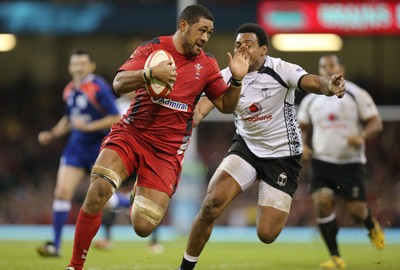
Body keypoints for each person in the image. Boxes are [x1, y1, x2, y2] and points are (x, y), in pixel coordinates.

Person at [65, 4, 250, 270]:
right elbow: (118, 83)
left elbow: (226, 106)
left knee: (143, 227)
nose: (206, 37)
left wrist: (237, 80)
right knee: (98, 190)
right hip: (132, 133)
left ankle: (135, 195)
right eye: (202, 30)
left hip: (167, 151)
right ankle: (75, 265)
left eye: (210, 32)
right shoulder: (153, 49)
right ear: (184, 26)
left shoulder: (207, 64)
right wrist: (149, 74)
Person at [177, 23, 346, 270]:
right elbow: (203, 106)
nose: (242, 49)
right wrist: (191, 119)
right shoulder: (228, 75)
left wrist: (330, 86)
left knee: (266, 234)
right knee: (211, 202)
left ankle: (268, 193)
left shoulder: (281, 69)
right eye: (237, 45)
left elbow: (313, 82)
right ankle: (185, 268)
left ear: (264, 50)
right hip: (247, 147)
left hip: (283, 155)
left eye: (248, 44)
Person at [297, 54, 385, 269]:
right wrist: (303, 146)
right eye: (323, 66)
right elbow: (301, 128)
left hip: (350, 162)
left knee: (356, 211)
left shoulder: (357, 94)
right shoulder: (311, 99)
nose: (327, 69)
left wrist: (362, 135)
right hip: (321, 162)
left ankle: (369, 223)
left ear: (341, 68)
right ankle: (336, 257)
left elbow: (376, 122)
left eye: (331, 65)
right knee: (322, 203)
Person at [36, 48, 121, 257]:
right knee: (62, 192)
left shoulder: (98, 87)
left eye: (83, 64)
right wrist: (52, 134)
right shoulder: (69, 90)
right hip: (76, 147)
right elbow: (69, 119)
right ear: (70, 67)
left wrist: (90, 126)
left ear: (91, 66)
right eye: (75, 64)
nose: (79, 67)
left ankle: (128, 201)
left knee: (105, 200)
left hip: (99, 148)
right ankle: (55, 246)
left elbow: (115, 117)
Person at [93, 93, 164, 253]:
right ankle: (107, 237)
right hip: (122, 155)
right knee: (107, 196)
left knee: (149, 199)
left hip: (143, 156)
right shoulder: (116, 105)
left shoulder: (149, 102)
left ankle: (154, 241)